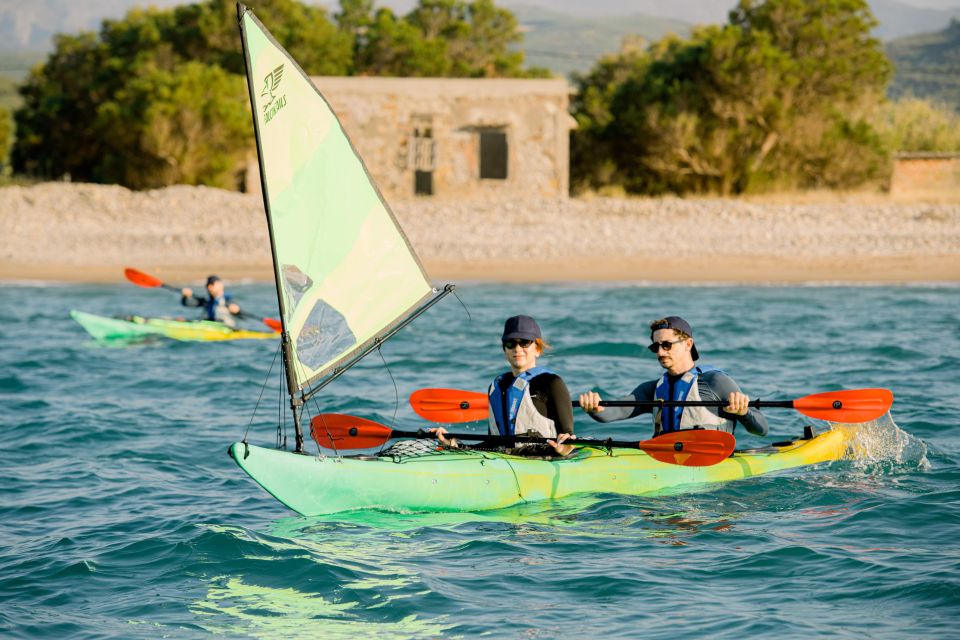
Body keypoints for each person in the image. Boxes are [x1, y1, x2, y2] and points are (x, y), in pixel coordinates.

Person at [578, 316, 768, 437]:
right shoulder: (652, 389)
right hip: (666, 460)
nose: (660, 352)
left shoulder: (716, 382)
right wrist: (595, 408)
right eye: (655, 347)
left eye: (667, 345)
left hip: (712, 464)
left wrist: (743, 412)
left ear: (688, 344)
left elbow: (762, 428)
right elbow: (613, 413)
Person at [435, 315, 576, 456]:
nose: (517, 348)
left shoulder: (552, 383)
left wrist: (564, 449)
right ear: (505, 350)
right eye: (511, 343)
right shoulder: (497, 387)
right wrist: (456, 445)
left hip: (545, 461)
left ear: (537, 349)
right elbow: (493, 445)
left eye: (525, 342)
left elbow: (567, 438)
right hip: (506, 462)